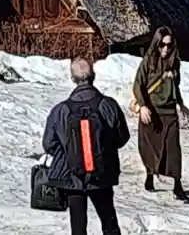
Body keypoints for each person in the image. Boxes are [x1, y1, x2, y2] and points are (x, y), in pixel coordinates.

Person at [43, 57, 129, 235]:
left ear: (73, 78)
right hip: (102, 174)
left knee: (78, 228)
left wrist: (70, 153)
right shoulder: (109, 106)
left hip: (73, 177)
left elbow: (49, 144)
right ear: (93, 76)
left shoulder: (61, 110)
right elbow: (122, 137)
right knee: (109, 223)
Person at [131, 26, 189, 202]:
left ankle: (177, 184)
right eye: (162, 45)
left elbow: (174, 87)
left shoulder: (175, 62)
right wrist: (142, 106)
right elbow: (138, 85)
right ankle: (150, 173)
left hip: (169, 112)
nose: (165, 49)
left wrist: (180, 103)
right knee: (150, 147)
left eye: (169, 45)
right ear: (156, 44)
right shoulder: (148, 62)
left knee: (173, 148)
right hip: (151, 111)